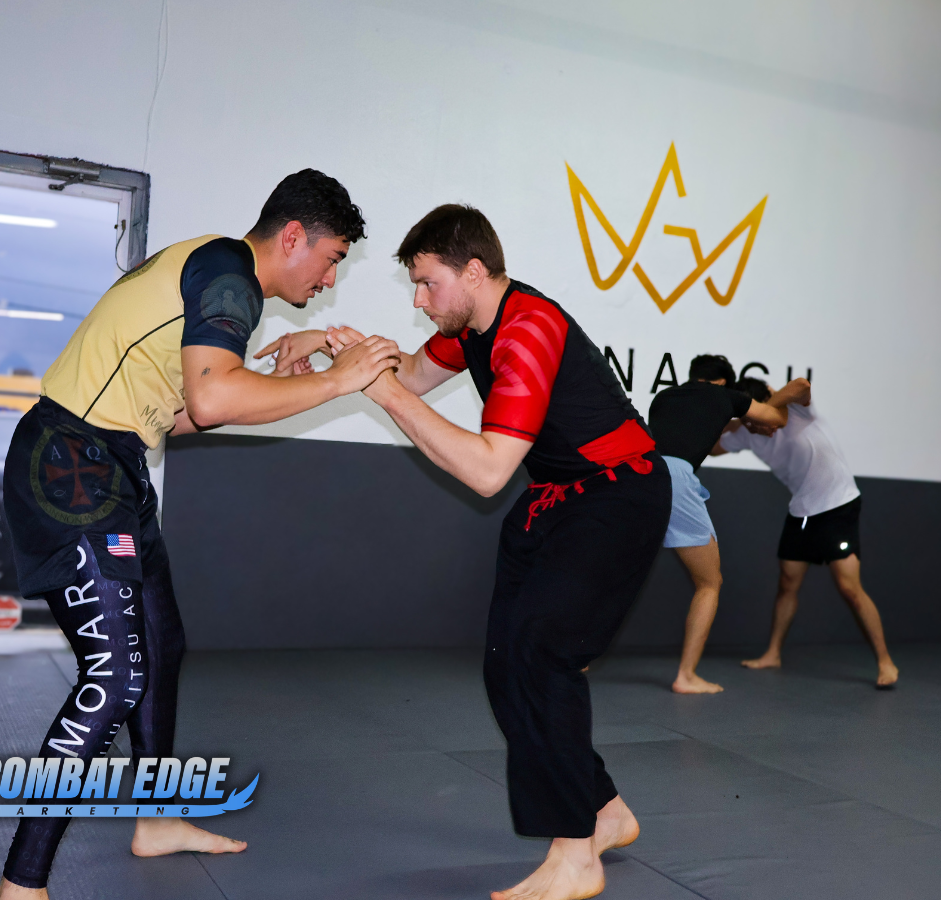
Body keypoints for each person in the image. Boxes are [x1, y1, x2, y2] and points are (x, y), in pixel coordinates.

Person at [0, 169, 400, 899]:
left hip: (111, 463)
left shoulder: (215, 268)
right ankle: (21, 884)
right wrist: (338, 380)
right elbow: (214, 401)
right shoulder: (229, 275)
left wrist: (298, 375)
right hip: (72, 466)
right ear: (294, 236)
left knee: (161, 642)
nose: (331, 278)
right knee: (115, 678)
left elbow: (179, 415)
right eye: (333, 257)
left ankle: (154, 820)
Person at [327, 204, 670, 900]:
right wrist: (340, 359)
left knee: (543, 650)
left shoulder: (528, 329)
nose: (420, 303)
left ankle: (575, 857)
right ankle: (603, 812)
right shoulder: (474, 327)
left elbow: (486, 472)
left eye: (427, 285)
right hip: (559, 500)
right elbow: (412, 376)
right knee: (505, 664)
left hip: (617, 495)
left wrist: (382, 388)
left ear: (474, 272)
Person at [713, 376, 898, 688]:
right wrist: (727, 424)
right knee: (787, 584)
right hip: (802, 510)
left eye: (760, 422)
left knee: (850, 587)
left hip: (839, 505)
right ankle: (773, 653)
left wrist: (767, 411)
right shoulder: (746, 431)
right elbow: (713, 449)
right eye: (752, 423)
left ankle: (886, 662)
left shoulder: (798, 411)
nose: (759, 430)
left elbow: (801, 384)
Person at [648, 357, 809, 694]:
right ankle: (687, 676)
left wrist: (733, 424)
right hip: (677, 479)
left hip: (638, 476)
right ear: (722, 382)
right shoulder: (725, 397)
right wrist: (767, 401)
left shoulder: (663, 398)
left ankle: (579, 654)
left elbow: (703, 438)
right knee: (709, 582)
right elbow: (777, 416)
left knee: (617, 569)